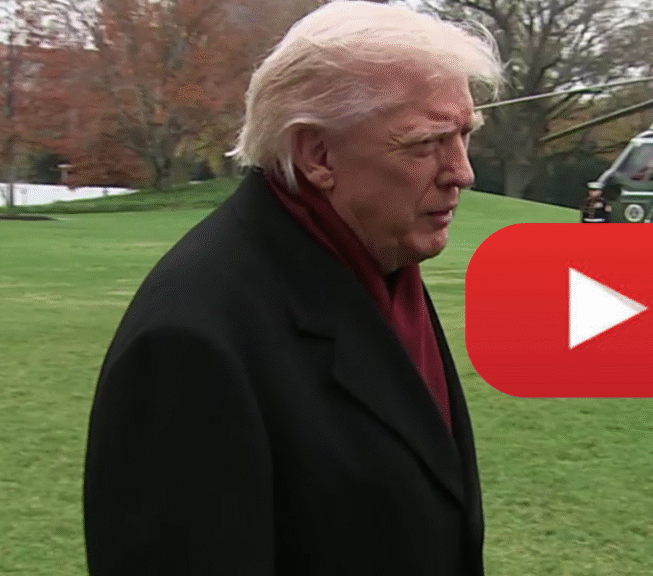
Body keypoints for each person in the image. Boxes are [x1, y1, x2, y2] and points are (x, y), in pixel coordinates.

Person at [82, 2, 502, 575]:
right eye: (425, 144)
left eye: (465, 135)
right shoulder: (191, 344)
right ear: (317, 154)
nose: (462, 171)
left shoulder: (378, 256)